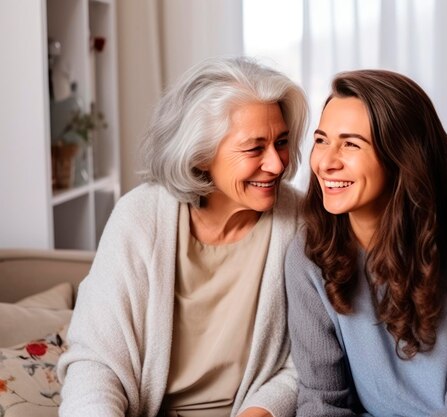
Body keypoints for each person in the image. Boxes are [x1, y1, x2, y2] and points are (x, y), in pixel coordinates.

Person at [57, 57, 308, 417]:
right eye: (255, 148)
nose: (277, 164)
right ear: (201, 154)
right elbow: (97, 361)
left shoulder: (299, 222)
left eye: (281, 142)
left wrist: (260, 412)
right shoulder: (139, 217)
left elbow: (307, 360)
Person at [285, 69, 447, 416]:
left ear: (402, 155)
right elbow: (322, 402)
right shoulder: (309, 253)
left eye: (351, 144)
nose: (326, 162)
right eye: (322, 140)